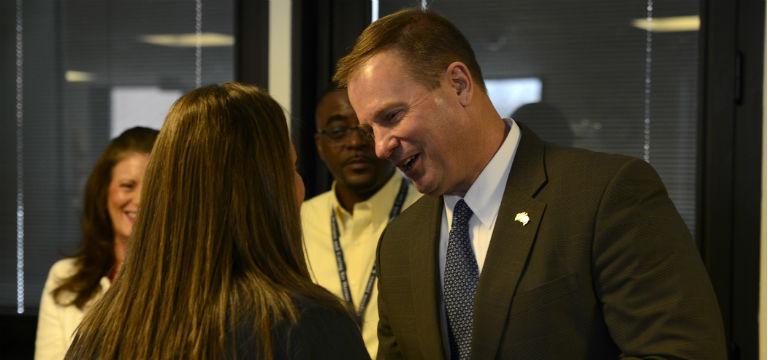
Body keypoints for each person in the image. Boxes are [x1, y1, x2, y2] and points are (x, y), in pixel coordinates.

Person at [333, 8, 727, 359]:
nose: (381, 148)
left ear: (458, 85)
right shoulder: (399, 243)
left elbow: (680, 352)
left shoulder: (606, 195)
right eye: (371, 130)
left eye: (392, 116)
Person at [65, 83, 369, 359]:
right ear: (265, 192)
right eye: (290, 168)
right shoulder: (309, 326)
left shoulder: (104, 327)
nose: (300, 184)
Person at [302, 86, 420, 357]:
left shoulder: (430, 214)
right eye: (337, 131)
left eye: (366, 130)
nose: (355, 143)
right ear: (320, 145)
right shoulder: (297, 223)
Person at [34, 126, 158, 360]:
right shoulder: (64, 280)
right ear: (104, 193)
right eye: (127, 186)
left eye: (152, 187)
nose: (141, 199)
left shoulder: (183, 282)